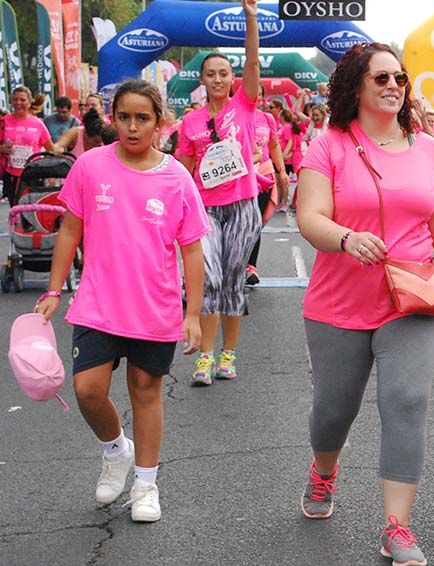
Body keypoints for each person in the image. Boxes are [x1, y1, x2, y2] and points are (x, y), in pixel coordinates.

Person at [295, 42, 434, 566]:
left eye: (400, 78)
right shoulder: (329, 145)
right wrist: (345, 238)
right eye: (381, 77)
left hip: (411, 295)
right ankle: (324, 471)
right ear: (357, 86)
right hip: (339, 300)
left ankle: (397, 527)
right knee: (334, 410)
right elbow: (310, 216)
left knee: (407, 402)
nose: (393, 86)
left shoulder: (428, 148)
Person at [34, 79, 209, 522]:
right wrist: (54, 291)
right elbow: (70, 230)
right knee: (87, 389)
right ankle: (116, 451)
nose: (133, 127)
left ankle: (146, 485)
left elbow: (191, 249)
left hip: (155, 307)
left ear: (159, 123)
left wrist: (193, 314)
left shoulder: (176, 177)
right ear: (113, 119)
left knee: (146, 392)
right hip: (98, 303)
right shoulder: (90, 166)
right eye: (125, 117)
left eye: (143, 118)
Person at [175, 0, 262, 386]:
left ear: (232, 79)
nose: (217, 79)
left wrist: (251, 18)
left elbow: (253, 64)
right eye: (210, 74)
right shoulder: (191, 121)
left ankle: (229, 355)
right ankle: (205, 358)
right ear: (202, 79)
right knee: (207, 280)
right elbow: (184, 169)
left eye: (224, 73)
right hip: (205, 210)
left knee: (231, 282)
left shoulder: (245, 106)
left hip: (243, 206)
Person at [246, 95, 290, 286]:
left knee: (255, 223)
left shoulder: (266, 118)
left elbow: (273, 145)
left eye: (259, 94)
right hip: (240, 176)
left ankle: (250, 267)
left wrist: (281, 171)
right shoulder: (231, 116)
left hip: (264, 175)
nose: (256, 97)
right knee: (240, 223)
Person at [1, 86, 61, 202]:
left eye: (22, 100)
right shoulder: (4, 121)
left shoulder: (38, 123)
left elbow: (51, 149)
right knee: (15, 209)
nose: (18, 103)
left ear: (29, 102)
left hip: (33, 173)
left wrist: (59, 150)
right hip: (11, 174)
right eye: (15, 100)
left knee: (31, 209)